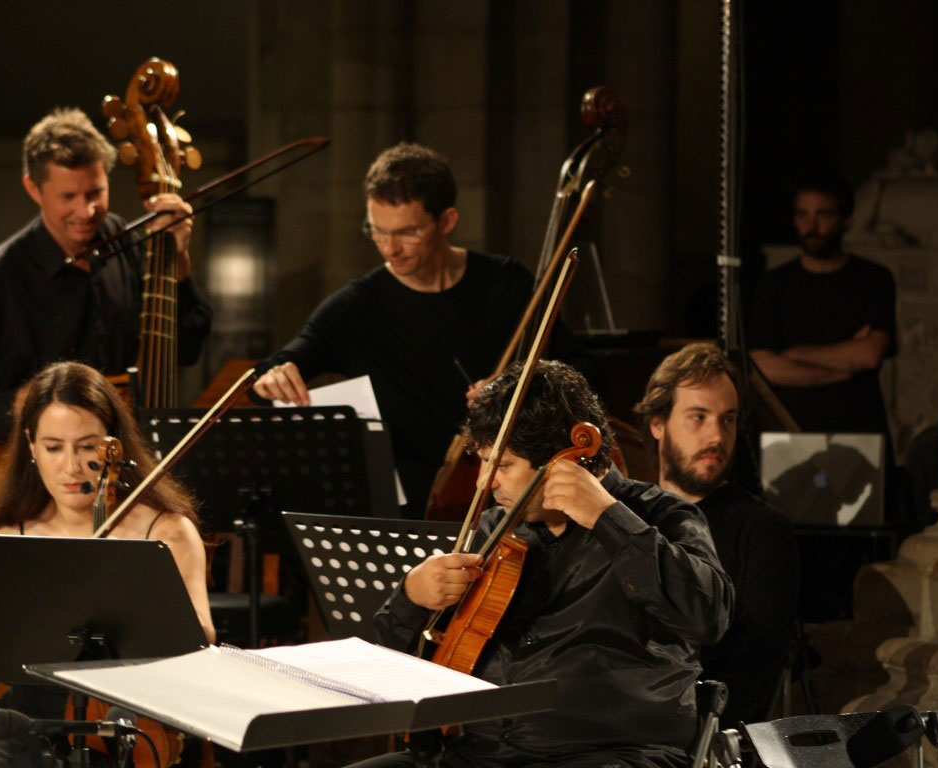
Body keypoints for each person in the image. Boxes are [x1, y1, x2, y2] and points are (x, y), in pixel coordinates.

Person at [351, 360, 732, 768]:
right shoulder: (493, 528)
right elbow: (392, 665)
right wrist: (412, 597)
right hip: (481, 756)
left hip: (611, 754)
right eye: (483, 461)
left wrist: (609, 519)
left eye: (503, 465)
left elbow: (709, 615)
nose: (484, 482)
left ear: (563, 461)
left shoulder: (660, 515)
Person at [251, 142, 586, 518]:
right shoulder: (356, 307)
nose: (389, 248)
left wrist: (518, 386)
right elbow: (274, 369)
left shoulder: (505, 284)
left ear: (447, 221)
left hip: (506, 501)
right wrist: (274, 376)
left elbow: (583, 374)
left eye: (407, 232)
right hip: (406, 511)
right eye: (377, 231)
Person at [0, 360, 215, 768]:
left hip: (130, 718)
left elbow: (201, 635)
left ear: (112, 444)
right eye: (53, 447)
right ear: (31, 445)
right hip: (34, 721)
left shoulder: (166, 532)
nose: (71, 466)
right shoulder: (6, 532)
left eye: (86, 447)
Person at [0, 107, 212, 448]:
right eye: (68, 197)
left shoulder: (125, 241)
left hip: (123, 454)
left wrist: (179, 261)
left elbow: (186, 350)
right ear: (33, 189)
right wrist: (33, 403)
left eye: (95, 192)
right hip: (41, 471)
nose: (86, 211)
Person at [634, 342, 799, 727]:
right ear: (658, 424)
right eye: (698, 417)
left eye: (728, 419)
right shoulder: (627, 518)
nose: (716, 437)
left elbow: (754, 670)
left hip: (696, 731)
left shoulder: (763, 530)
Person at [747, 173, 897, 459]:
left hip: (859, 434)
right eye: (802, 215)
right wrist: (843, 368)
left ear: (846, 220)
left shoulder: (874, 279)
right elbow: (763, 367)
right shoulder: (774, 284)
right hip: (790, 435)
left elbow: (868, 355)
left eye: (823, 215)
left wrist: (793, 355)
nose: (811, 226)